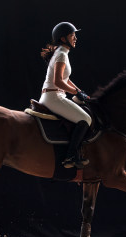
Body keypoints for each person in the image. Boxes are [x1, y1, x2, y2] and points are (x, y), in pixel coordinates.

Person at [39, 22, 91, 169]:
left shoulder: (62, 52)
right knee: (86, 119)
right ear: (63, 39)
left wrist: (80, 91)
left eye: (75, 35)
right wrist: (75, 93)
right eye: (72, 35)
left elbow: (66, 79)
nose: (75, 38)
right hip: (53, 97)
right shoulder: (61, 54)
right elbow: (58, 81)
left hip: (55, 96)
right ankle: (70, 156)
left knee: (83, 108)